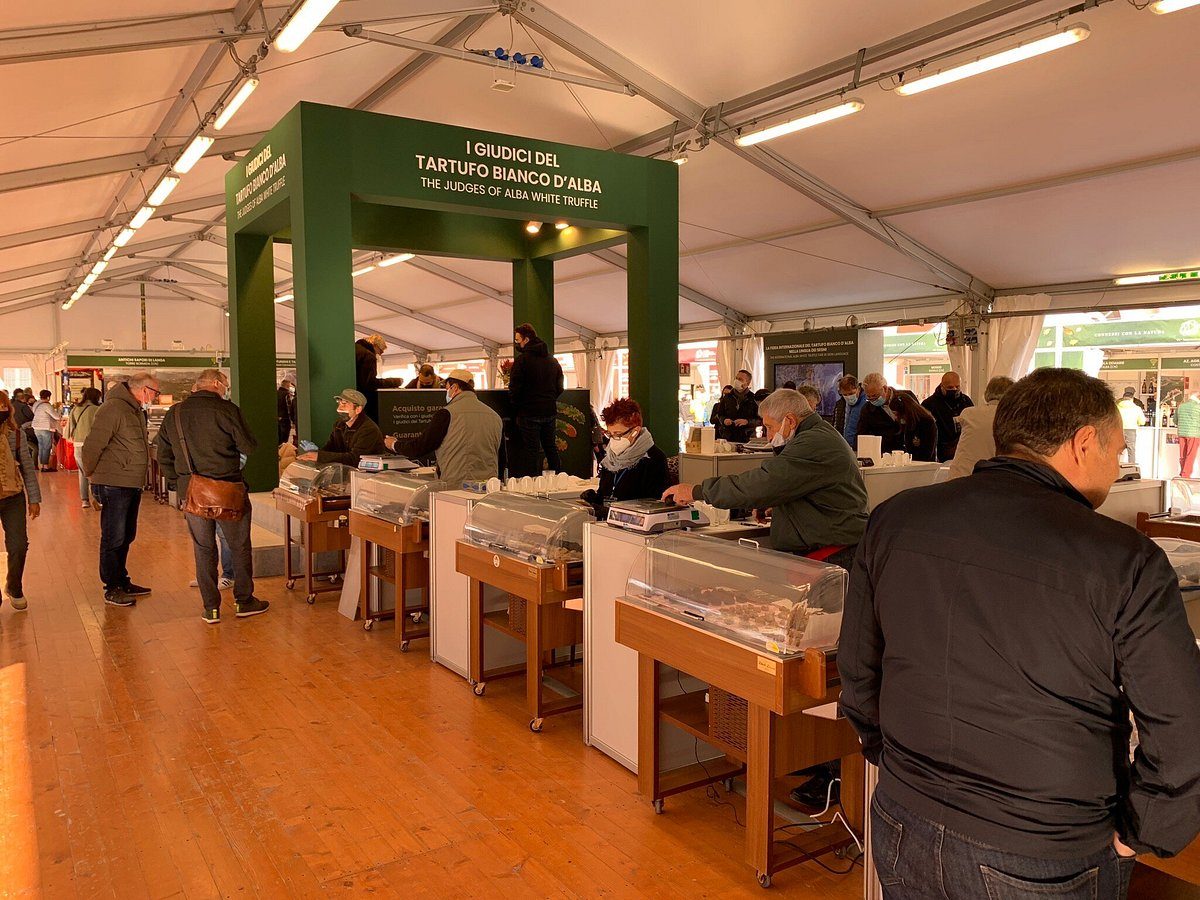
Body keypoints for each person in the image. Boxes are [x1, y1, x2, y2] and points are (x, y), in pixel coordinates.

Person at [839, 368, 1200, 899]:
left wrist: (886, 755)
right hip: (1044, 851)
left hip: (902, 816)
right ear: (1083, 443)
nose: (1119, 465)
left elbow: (859, 666)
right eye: (1116, 449)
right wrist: (1142, 834)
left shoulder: (897, 519)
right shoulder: (1125, 559)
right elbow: (1183, 725)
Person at [664, 389, 868, 567]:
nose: (769, 437)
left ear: (789, 420)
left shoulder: (813, 443)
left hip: (833, 554)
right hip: (830, 547)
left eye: (769, 427)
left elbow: (761, 483)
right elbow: (801, 487)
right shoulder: (817, 435)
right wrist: (781, 509)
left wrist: (696, 491)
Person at [158, 369, 267, 624]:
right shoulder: (227, 410)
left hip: (192, 492)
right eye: (226, 384)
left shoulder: (174, 413)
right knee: (239, 547)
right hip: (227, 489)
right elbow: (248, 446)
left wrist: (178, 483)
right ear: (217, 384)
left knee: (203, 549)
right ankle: (244, 601)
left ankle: (211, 608)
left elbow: (163, 454)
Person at [82, 372, 159, 607]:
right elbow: (93, 446)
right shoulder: (114, 409)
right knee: (113, 536)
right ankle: (112, 586)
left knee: (126, 534)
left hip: (130, 482)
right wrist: (91, 478)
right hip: (114, 483)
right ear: (144, 390)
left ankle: (121, 579)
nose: (156, 397)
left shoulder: (133, 409)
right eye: (155, 392)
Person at [383, 369, 502, 489]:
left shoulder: (447, 413)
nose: (446, 392)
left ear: (454, 387)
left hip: (456, 488)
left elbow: (420, 447)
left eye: (447, 388)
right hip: (488, 488)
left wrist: (394, 444)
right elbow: (501, 457)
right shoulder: (494, 416)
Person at [581, 398, 669, 516]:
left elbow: (653, 504)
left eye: (618, 434)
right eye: (610, 434)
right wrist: (595, 499)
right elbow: (606, 492)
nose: (613, 439)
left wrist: (615, 512)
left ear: (635, 431)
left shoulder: (653, 459)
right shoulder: (610, 458)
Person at [0, 391, 41, 611]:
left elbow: (26, 467)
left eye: (2, 406)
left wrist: (34, 498)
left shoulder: (16, 434)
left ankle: (14, 586)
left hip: (13, 495)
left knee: (18, 546)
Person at [509, 323, 564, 476]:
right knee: (550, 448)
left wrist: (518, 406)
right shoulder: (552, 360)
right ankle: (557, 480)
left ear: (526, 339)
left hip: (528, 412)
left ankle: (533, 484)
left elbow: (515, 388)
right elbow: (560, 386)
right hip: (549, 411)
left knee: (531, 451)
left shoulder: (522, 361)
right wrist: (549, 399)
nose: (516, 344)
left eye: (517, 340)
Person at [299, 389, 386, 468]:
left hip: (368, 476)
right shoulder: (339, 425)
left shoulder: (369, 429)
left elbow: (354, 459)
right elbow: (331, 448)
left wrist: (320, 456)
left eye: (344, 404)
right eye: (339, 403)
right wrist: (317, 451)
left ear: (358, 409)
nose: (339, 408)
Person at [948, 376, 1014, 480]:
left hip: (958, 475)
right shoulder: (1011, 418)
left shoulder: (968, 413)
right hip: (988, 480)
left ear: (987, 393)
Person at [920, 371, 973, 462]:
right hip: (939, 450)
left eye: (957, 386)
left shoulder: (966, 401)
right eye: (950, 387)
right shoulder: (929, 404)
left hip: (964, 448)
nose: (954, 389)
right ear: (942, 386)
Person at [67, 387, 103, 509]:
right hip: (92, 444)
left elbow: (70, 426)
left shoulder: (76, 408)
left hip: (78, 443)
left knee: (82, 472)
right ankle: (96, 498)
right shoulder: (98, 410)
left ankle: (85, 500)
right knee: (94, 471)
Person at [354, 333, 403, 424]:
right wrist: (394, 382)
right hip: (362, 401)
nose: (379, 355)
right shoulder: (368, 356)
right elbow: (369, 383)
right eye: (380, 351)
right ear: (375, 345)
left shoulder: (354, 349)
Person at [855, 372, 902, 453]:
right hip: (884, 453)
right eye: (868, 397)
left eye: (875, 396)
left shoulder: (906, 398)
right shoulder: (867, 410)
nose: (872, 399)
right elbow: (861, 435)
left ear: (885, 388)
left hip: (908, 451)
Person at [709, 369, 760, 443]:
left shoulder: (753, 399)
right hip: (728, 438)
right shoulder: (727, 398)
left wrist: (747, 422)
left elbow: (759, 420)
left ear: (747, 383)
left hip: (747, 438)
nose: (737, 381)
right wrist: (724, 420)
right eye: (736, 378)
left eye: (740, 379)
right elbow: (720, 415)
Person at [887, 390, 938, 462]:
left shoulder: (927, 423)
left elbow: (927, 453)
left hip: (924, 466)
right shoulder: (903, 424)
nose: (895, 418)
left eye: (896, 414)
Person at [833, 375, 866, 451]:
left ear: (858, 389)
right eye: (845, 394)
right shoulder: (841, 404)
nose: (848, 397)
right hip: (844, 446)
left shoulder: (866, 403)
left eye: (851, 393)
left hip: (860, 447)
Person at [1117, 387, 1146, 465]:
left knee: (1117, 449)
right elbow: (1142, 422)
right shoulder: (1137, 408)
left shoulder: (1117, 407)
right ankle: (1131, 467)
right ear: (1132, 398)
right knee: (1131, 450)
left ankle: (1115, 467)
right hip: (1131, 430)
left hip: (1118, 429)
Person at [31, 389, 59, 472]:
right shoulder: (47, 405)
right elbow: (56, 417)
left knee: (41, 446)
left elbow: (34, 413)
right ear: (48, 397)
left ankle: (42, 465)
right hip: (45, 427)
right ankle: (45, 466)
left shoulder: (36, 404)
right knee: (47, 447)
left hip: (36, 427)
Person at [1177, 390, 1200, 478]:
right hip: (1194, 434)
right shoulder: (1198, 407)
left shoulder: (1181, 406)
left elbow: (1175, 420)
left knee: (1183, 455)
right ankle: (1185, 475)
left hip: (1181, 433)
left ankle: (1183, 472)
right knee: (1190, 455)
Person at [277, 375, 296, 446]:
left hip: (278, 418)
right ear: (287, 386)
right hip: (285, 419)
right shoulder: (286, 395)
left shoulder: (276, 393)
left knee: (278, 438)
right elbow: (289, 408)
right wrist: (292, 420)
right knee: (284, 440)